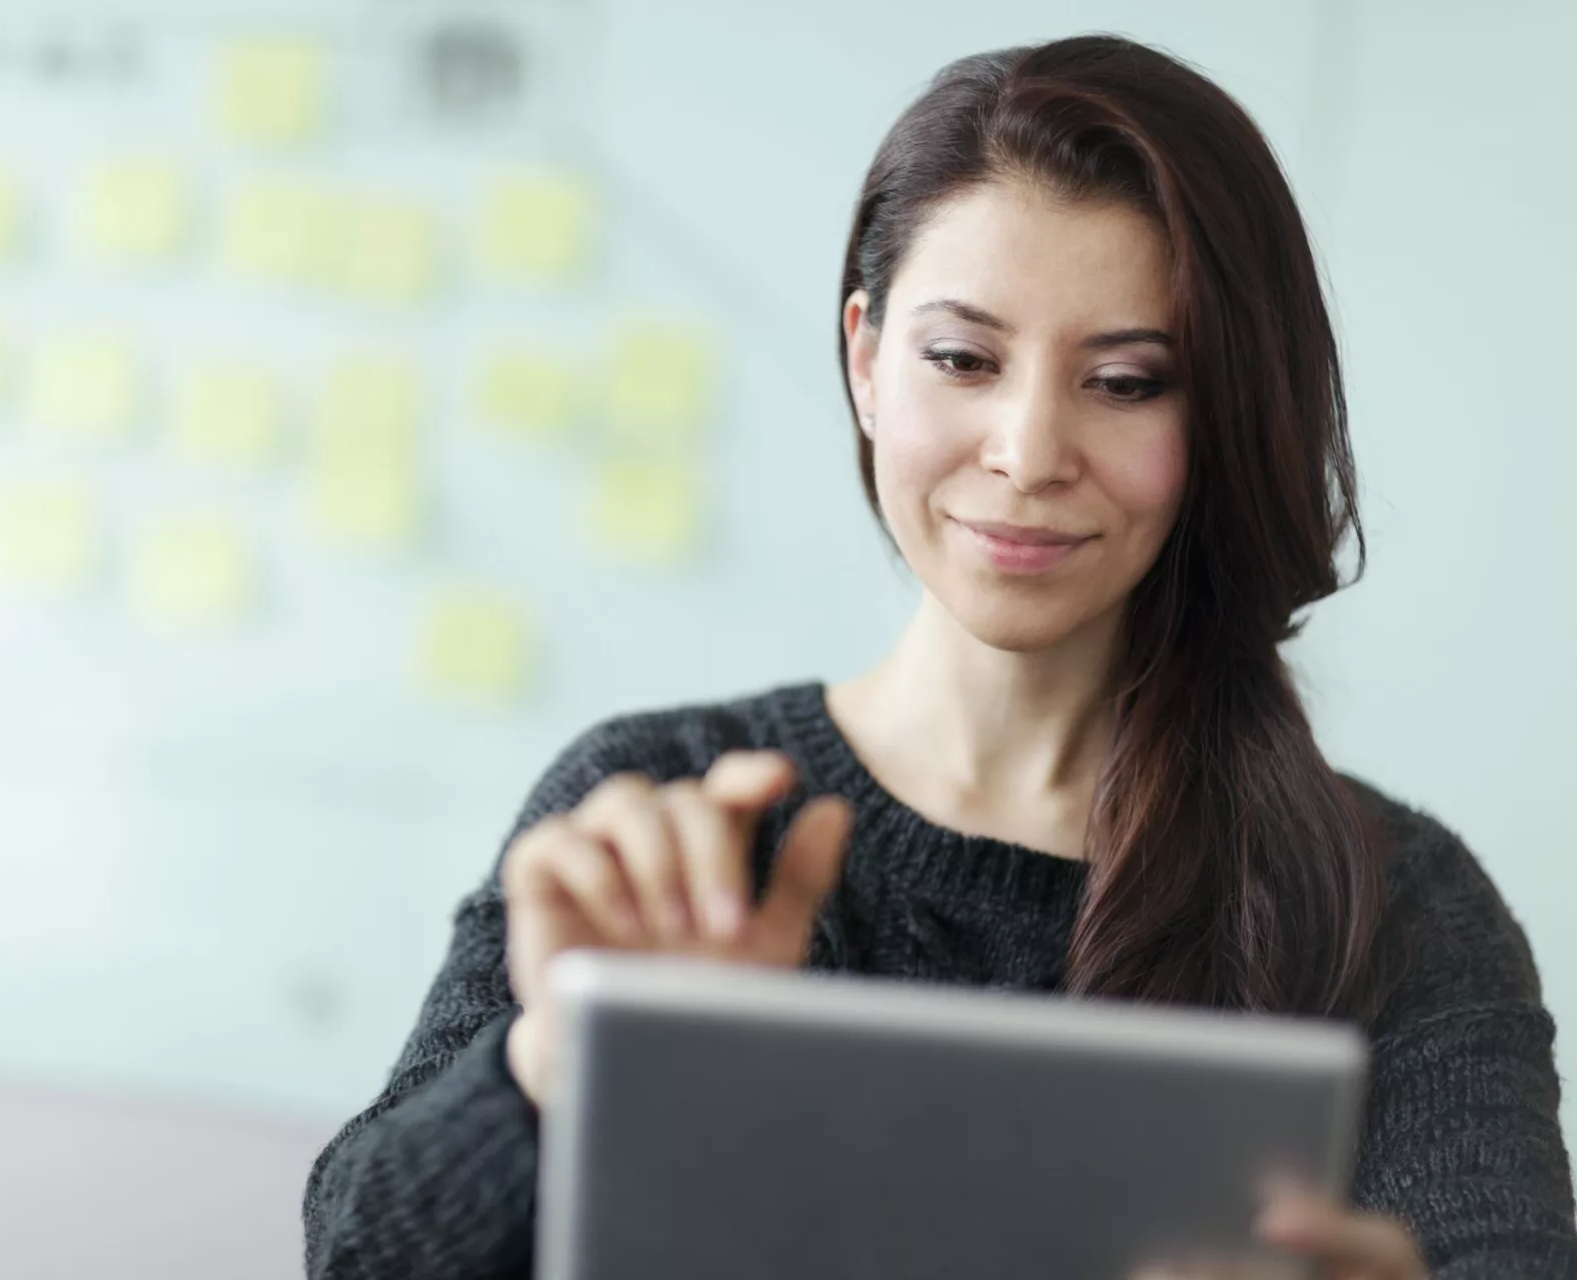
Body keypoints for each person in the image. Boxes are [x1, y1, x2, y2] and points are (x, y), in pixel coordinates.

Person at [301, 34, 1576, 1279]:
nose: (1027, 452)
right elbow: (354, 1252)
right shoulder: (664, 804)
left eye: (1127, 381)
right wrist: (556, 1062)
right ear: (865, 359)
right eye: (962, 359)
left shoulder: (1391, 901)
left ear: (1228, 412)